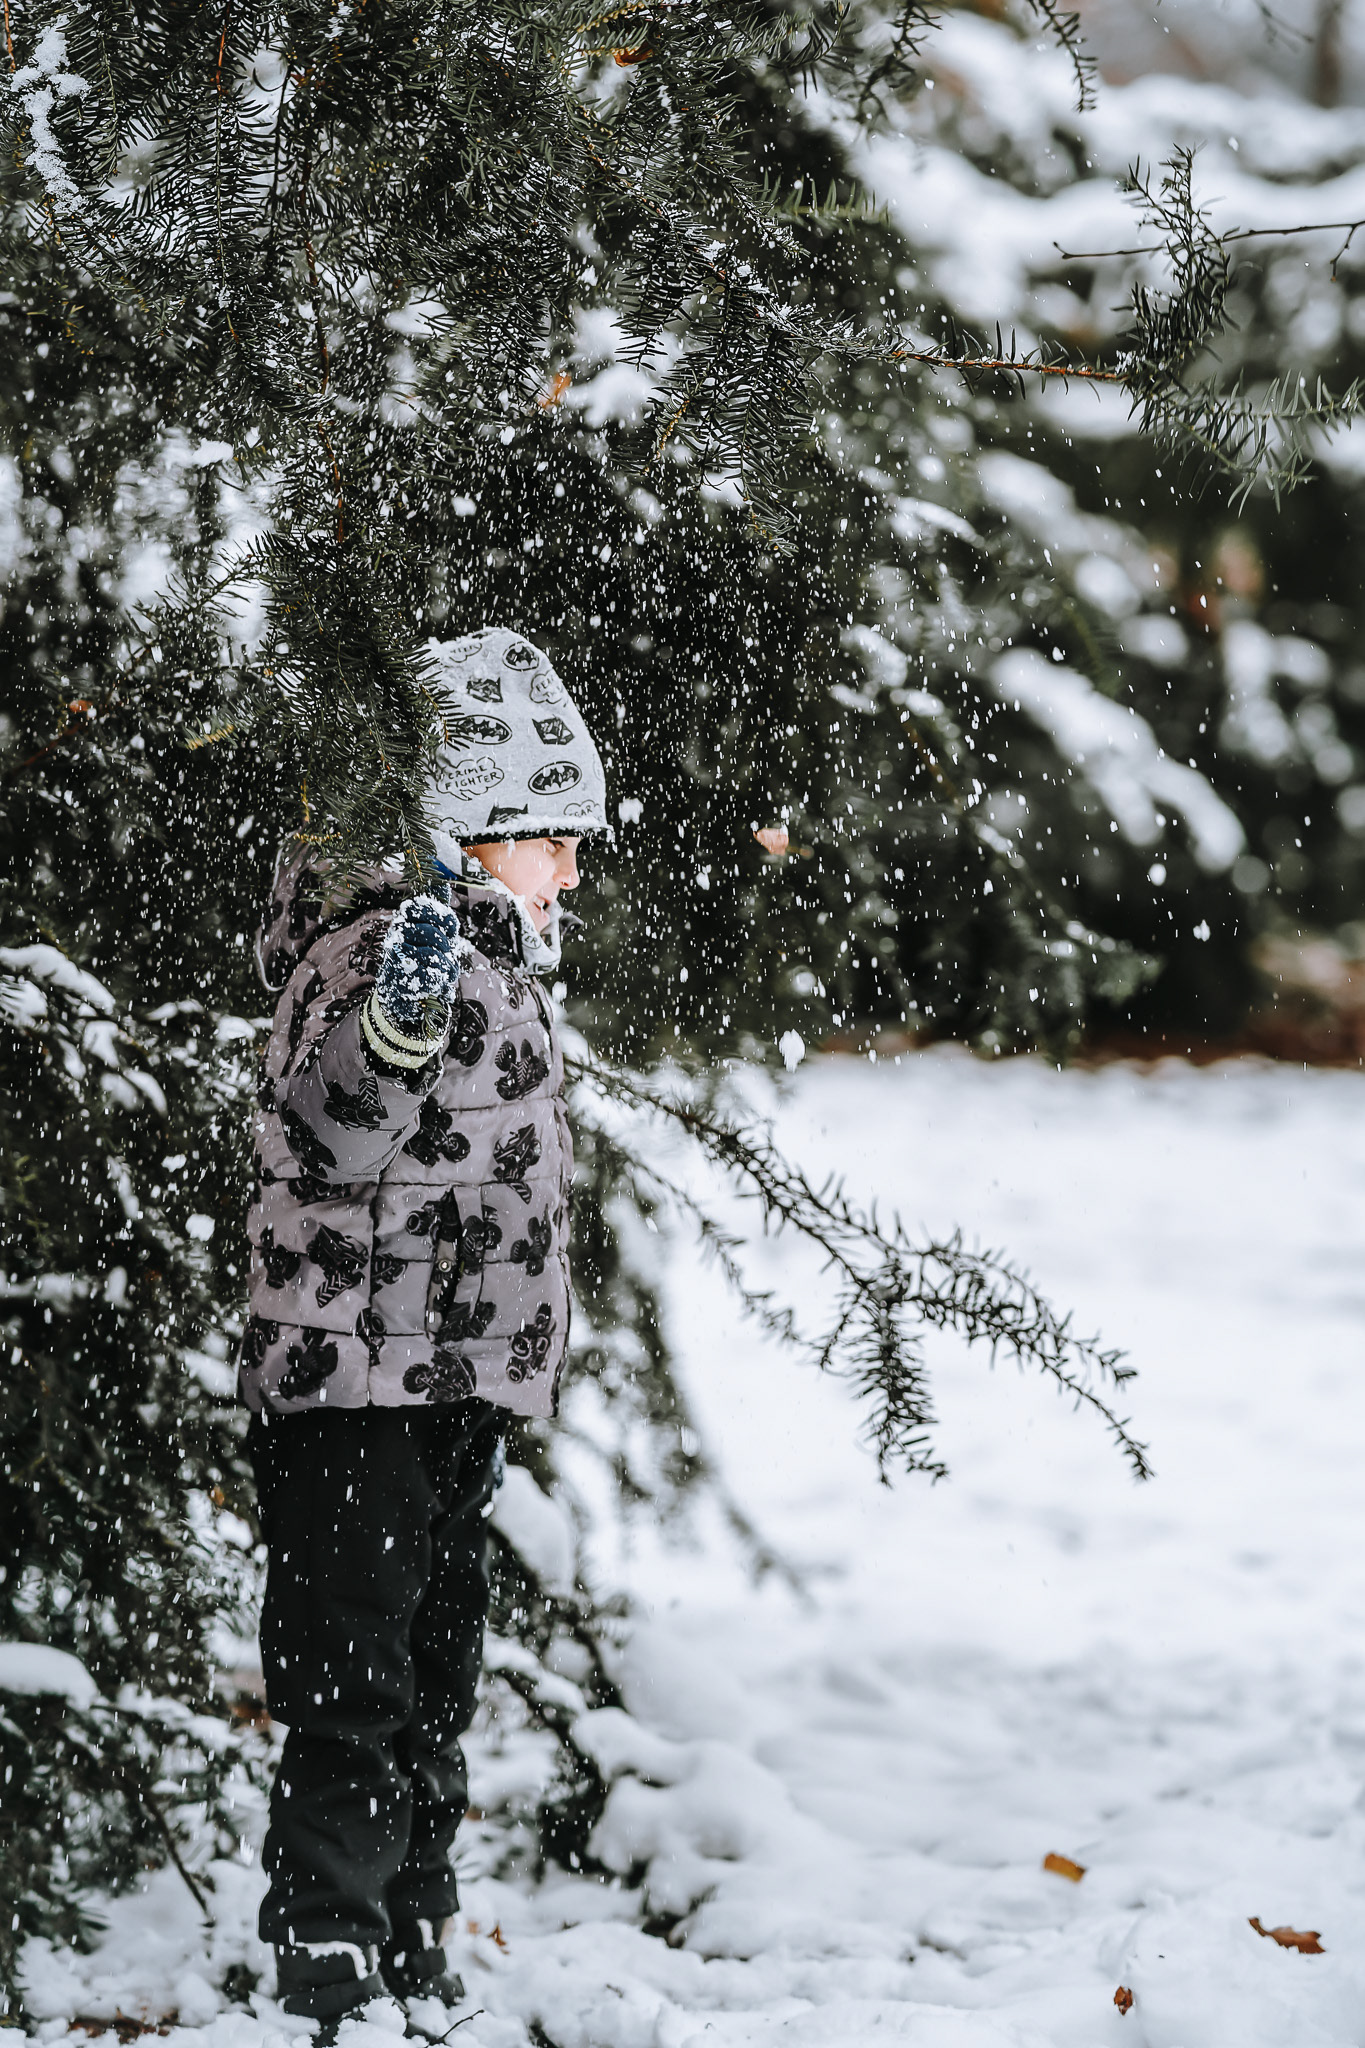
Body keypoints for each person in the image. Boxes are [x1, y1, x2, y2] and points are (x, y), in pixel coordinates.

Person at [238, 627, 610, 2035]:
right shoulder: (382, 949)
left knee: (436, 1676)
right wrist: (395, 1026)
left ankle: (413, 1933)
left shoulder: (492, 951)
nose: (568, 867)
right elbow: (330, 1129)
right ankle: (328, 1952)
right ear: (463, 829)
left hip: (449, 1385)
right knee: (352, 1679)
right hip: (353, 1389)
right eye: (547, 838)